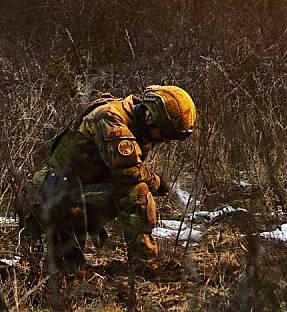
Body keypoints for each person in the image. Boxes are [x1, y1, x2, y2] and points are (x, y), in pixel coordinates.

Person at [19, 85, 196, 273]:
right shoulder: (111, 119)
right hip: (52, 202)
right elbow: (128, 172)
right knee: (137, 192)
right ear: (151, 117)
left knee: (69, 272)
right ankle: (144, 266)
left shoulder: (130, 121)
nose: (163, 141)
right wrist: (156, 182)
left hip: (66, 195)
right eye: (163, 134)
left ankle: (66, 264)